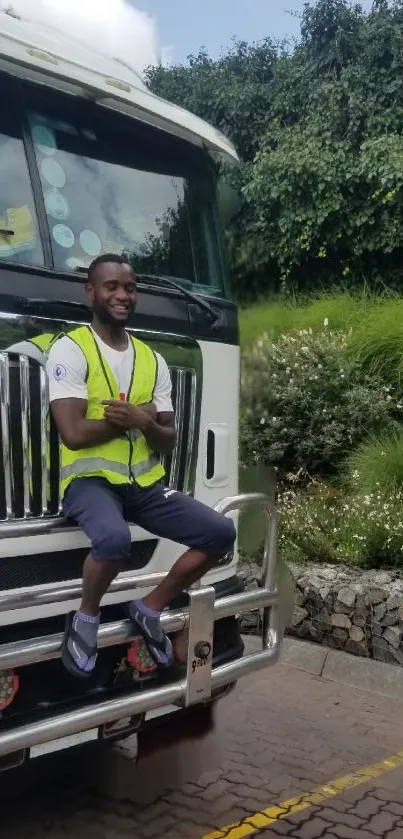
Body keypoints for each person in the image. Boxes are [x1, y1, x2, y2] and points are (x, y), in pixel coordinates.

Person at [46, 253, 236, 679]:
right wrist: (136, 419)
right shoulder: (70, 349)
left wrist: (144, 420)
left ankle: (149, 607)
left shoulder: (152, 360)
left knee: (221, 532)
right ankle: (87, 616)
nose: (122, 295)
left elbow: (168, 439)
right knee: (113, 540)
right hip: (89, 482)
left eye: (129, 287)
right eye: (111, 286)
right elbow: (73, 433)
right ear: (90, 292)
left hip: (144, 485)